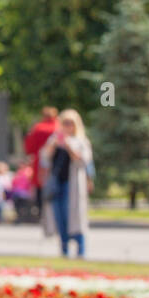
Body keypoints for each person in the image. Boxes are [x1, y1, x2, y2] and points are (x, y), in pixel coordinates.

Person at [40, 109, 93, 257]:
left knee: (75, 217)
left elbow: (84, 161)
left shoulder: (81, 141)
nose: (67, 126)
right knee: (60, 216)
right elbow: (44, 159)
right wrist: (54, 144)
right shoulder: (55, 139)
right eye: (64, 123)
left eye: (70, 123)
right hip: (57, 184)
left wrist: (68, 145)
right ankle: (64, 249)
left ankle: (80, 249)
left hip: (73, 185)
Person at [23, 107, 59, 223]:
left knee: (40, 187)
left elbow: (30, 147)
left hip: (40, 162)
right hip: (57, 162)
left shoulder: (38, 128)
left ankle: (43, 213)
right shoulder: (59, 127)